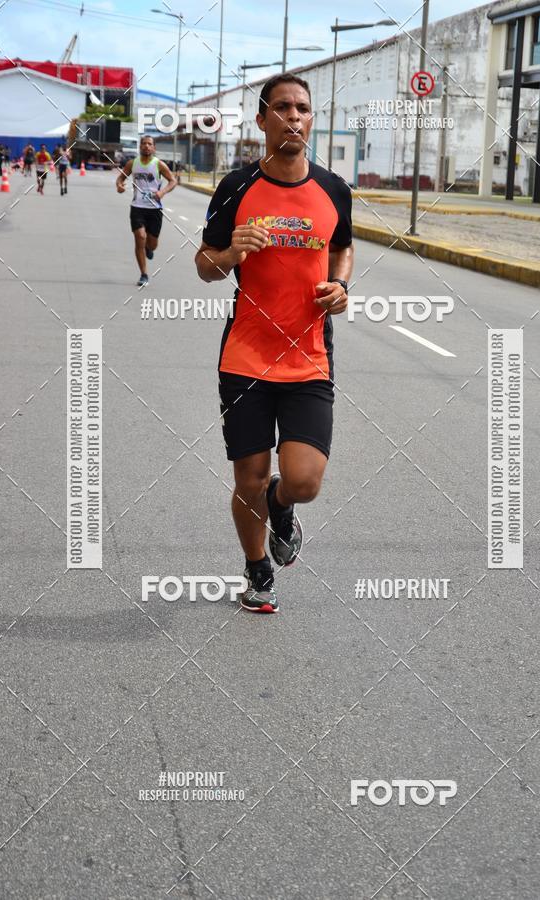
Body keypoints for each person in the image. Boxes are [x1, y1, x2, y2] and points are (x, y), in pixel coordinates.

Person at [195, 73, 353, 614]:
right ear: (262, 120)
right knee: (250, 479)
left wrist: (342, 286)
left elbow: (343, 249)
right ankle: (258, 568)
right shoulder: (235, 188)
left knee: (302, 481)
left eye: (303, 108)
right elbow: (203, 266)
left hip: (309, 358)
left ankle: (283, 508)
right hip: (246, 358)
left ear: (312, 119)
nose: (293, 116)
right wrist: (233, 253)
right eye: (282, 108)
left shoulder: (334, 189)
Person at [115, 135, 177, 286]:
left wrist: (162, 192)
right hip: (137, 207)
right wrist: (120, 186)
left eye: (149, 144)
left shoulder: (159, 164)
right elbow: (120, 179)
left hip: (154, 209)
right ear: (140, 146)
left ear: (154, 148)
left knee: (152, 243)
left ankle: (149, 249)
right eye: (143, 143)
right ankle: (144, 274)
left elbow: (173, 180)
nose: (146, 146)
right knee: (140, 237)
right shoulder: (132, 164)